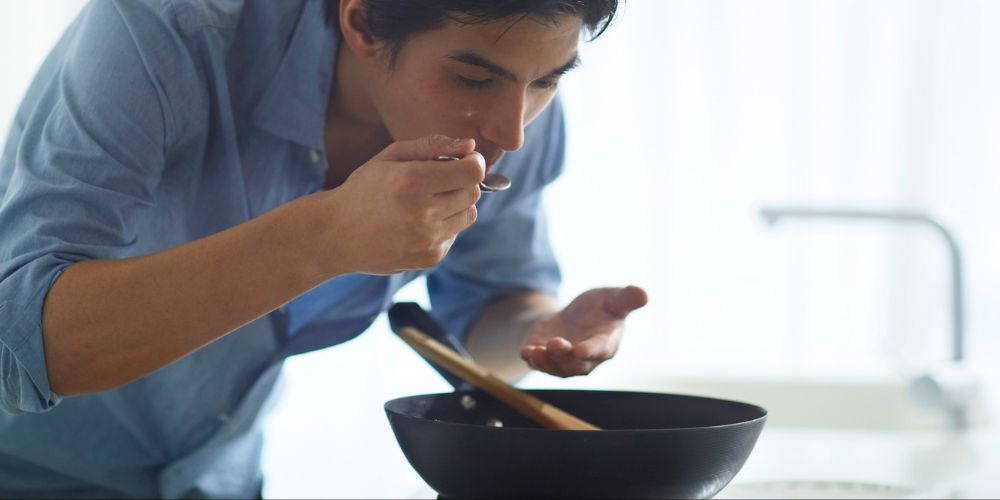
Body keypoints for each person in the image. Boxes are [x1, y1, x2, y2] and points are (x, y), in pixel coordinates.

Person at [0, 0, 648, 497]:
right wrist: (327, 236)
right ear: (362, 21)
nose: (515, 127)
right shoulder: (166, 29)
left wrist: (541, 332)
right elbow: (23, 341)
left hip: (217, 479)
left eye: (549, 81)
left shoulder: (510, 99)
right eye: (473, 79)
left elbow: (487, 319)